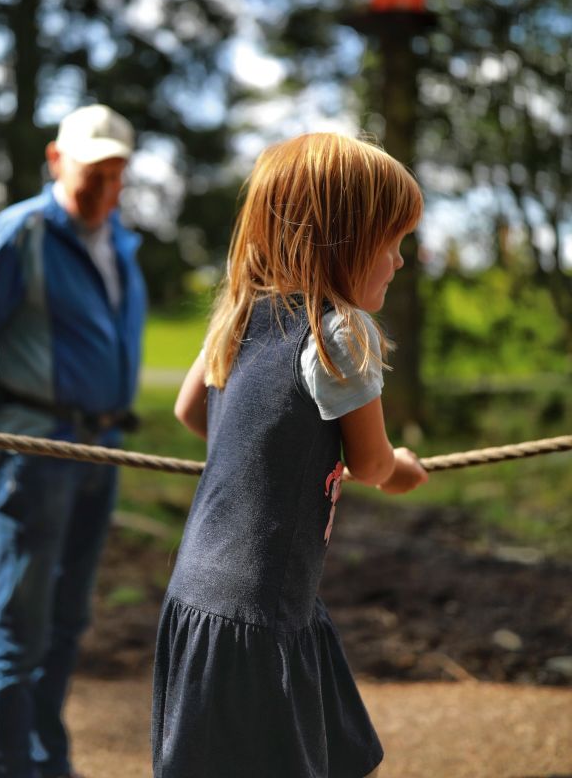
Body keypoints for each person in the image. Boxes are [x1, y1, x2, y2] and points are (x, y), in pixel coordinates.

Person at [152, 132, 428, 778]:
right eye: (392, 242)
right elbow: (373, 463)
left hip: (196, 604)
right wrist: (402, 468)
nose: (399, 260)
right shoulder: (340, 331)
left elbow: (190, 411)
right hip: (262, 618)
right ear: (347, 240)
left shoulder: (241, 313)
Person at [0, 104, 148, 778]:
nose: (104, 189)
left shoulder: (120, 243)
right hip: (34, 457)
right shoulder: (17, 235)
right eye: (93, 173)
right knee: (20, 630)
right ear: (58, 162)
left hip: (98, 455)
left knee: (67, 624)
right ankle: (9, 769)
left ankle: (47, 762)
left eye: (116, 175)